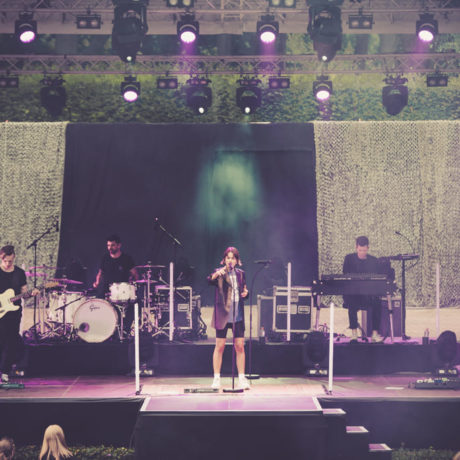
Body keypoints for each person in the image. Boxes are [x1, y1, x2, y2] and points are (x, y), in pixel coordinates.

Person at [208, 246, 250, 390]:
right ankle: (216, 378)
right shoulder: (219, 272)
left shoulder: (241, 274)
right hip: (223, 314)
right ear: (224, 260)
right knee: (219, 346)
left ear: (237, 260)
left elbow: (244, 290)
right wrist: (217, 273)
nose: (230, 260)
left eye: (233, 258)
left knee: (239, 346)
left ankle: (242, 378)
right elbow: (209, 280)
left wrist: (246, 293)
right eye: (228, 258)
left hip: (237, 314)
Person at [0, 245, 39, 383]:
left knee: (11, 341)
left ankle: (5, 371)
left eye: (10, 261)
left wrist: (31, 294)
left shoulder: (19, 273)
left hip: (14, 312)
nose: (8, 263)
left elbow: (24, 293)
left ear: (14, 257)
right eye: (5, 261)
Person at [93, 234, 138, 339]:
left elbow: (135, 274)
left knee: (135, 305)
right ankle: (102, 329)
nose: (110, 248)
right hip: (107, 289)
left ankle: (125, 329)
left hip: (122, 290)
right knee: (98, 303)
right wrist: (97, 282)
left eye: (112, 245)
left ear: (119, 245)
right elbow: (100, 273)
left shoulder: (126, 258)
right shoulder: (105, 258)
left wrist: (133, 284)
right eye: (108, 245)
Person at [343, 236, 384, 343]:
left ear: (368, 248)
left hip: (368, 295)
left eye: (364, 250)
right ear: (356, 248)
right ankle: (354, 334)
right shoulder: (349, 259)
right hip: (354, 294)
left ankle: (375, 334)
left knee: (377, 302)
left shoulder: (373, 261)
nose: (362, 253)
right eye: (360, 250)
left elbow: (376, 278)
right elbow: (345, 276)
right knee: (351, 301)